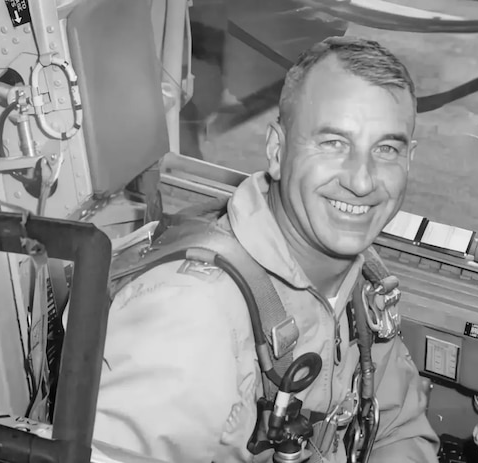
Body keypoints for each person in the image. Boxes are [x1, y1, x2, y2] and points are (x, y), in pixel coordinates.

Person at [92, 36, 440, 463]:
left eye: (386, 149)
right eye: (334, 143)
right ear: (277, 150)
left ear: (409, 160)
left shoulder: (357, 281)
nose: (363, 181)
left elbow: (399, 429)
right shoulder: (192, 318)